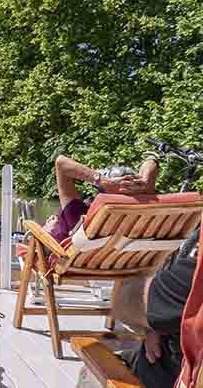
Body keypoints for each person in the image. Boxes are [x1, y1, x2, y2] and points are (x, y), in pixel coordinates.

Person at [81, 228, 200, 387]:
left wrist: (150, 316)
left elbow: (126, 303)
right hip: (163, 356)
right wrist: (155, 319)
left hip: (163, 376)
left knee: (90, 372)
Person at [47, 155, 160, 242]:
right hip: (123, 263)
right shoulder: (143, 217)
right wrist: (144, 184)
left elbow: (60, 163)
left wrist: (103, 181)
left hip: (56, 245)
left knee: (47, 227)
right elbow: (151, 162)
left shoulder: (78, 219)